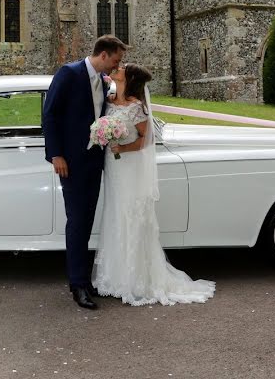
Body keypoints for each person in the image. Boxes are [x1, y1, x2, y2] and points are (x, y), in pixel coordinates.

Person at [92, 63, 215, 306]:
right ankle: (115, 276)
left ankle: (136, 278)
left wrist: (121, 147)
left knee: (131, 214)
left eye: (122, 69)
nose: (117, 69)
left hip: (129, 166)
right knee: (116, 214)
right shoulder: (111, 97)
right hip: (113, 168)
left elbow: (145, 142)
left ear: (130, 79)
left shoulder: (137, 108)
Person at [42, 35, 126, 310]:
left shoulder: (104, 82)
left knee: (87, 220)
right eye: (115, 60)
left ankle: (85, 280)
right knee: (77, 222)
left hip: (94, 161)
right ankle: (77, 285)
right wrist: (56, 154)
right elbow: (50, 114)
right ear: (103, 54)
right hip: (71, 162)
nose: (117, 66)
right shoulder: (69, 73)